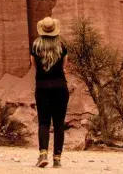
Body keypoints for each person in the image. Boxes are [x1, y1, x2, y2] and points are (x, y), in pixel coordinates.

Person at [31, 16, 69, 168]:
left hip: (42, 88)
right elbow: (64, 65)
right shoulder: (62, 46)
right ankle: (57, 158)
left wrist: (43, 73)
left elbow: (34, 65)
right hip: (60, 88)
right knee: (59, 124)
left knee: (44, 122)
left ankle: (43, 155)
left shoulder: (36, 46)